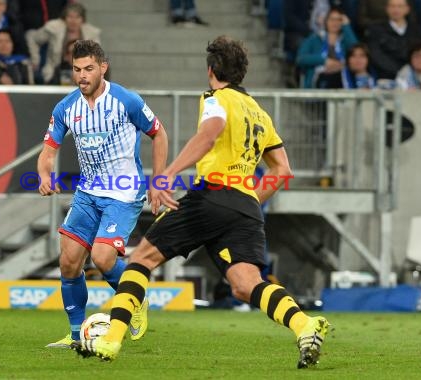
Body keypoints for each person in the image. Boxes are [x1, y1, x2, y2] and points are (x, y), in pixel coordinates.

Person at [73, 35, 331, 369]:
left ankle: (110, 340)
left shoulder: (215, 98)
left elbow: (209, 134)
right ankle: (304, 324)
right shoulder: (259, 113)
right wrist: (251, 198)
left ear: (211, 70)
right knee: (245, 285)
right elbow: (282, 170)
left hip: (211, 195)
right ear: (242, 72)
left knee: (141, 261)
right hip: (244, 206)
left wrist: (167, 174)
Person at [37, 40, 169, 348]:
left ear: (103, 68)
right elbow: (48, 151)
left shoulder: (126, 100)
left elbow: (158, 133)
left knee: (102, 256)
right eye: (77, 70)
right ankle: (75, 337)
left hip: (123, 193)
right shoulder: (67, 107)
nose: (82, 76)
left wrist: (159, 180)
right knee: (69, 262)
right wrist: (45, 174)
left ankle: (136, 298)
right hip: (88, 192)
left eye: (88, 69)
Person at [26, 2, 100, 84]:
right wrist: (35, 59)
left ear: (82, 19)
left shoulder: (91, 33)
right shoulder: (54, 28)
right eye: (70, 17)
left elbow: (96, 57)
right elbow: (32, 37)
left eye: (77, 17)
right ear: (64, 18)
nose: (73, 21)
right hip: (54, 74)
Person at [296, 7, 358, 88]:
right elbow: (301, 58)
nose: (335, 23)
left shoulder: (345, 39)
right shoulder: (314, 38)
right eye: (332, 19)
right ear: (326, 21)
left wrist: (347, 26)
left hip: (342, 80)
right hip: (318, 80)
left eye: (339, 20)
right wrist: (324, 61)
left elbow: (356, 51)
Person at [367, 0, 421, 81]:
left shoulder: (416, 30)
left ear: (407, 9)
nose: (396, 10)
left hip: (413, 77)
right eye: (392, 6)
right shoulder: (375, 29)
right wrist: (399, 71)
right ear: (387, 9)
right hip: (385, 77)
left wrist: (408, 71)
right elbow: (376, 54)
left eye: (400, 6)